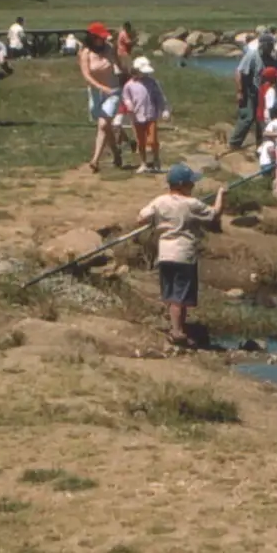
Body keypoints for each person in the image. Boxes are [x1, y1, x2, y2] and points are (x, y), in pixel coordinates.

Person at [137, 163, 227, 348]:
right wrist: (221, 195)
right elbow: (215, 214)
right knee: (180, 296)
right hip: (183, 255)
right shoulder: (192, 203)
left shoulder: (160, 201)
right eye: (190, 183)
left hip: (165, 254)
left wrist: (158, 222)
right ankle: (177, 332)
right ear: (182, 185)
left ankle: (179, 327)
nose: (193, 186)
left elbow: (141, 218)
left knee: (172, 294)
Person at [79, 21, 123, 172]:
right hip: (96, 93)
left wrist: (128, 76)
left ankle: (95, 161)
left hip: (113, 91)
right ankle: (116, 152)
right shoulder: (85, 53)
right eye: (100, 37)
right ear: (92, 38)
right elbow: (86, 75)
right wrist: (100, 87)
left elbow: (119, 64)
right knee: (105, 126)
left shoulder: (110, 48)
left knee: (103, 125)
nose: (103, 40)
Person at [123, 56, 169, 173]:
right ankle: (143, 163)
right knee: (140, 141)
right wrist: (128, 104)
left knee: (152, 140)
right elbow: (126, 97)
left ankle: (156, 158)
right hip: (136, 116)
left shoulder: (152, 82)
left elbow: (159, 96)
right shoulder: (129, 85)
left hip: (150, 115)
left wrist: (164, 109)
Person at [228, 32, 275, 149]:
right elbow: (239, 72)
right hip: (248, 89)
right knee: (248, 117)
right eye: (270, 45)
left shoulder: (270, 59)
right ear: (263, 45)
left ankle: (260, 143)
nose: (272, 48)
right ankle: (234, 143)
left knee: (261, 118)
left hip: (261, 92)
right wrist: (240, 91)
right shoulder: (252, 55)